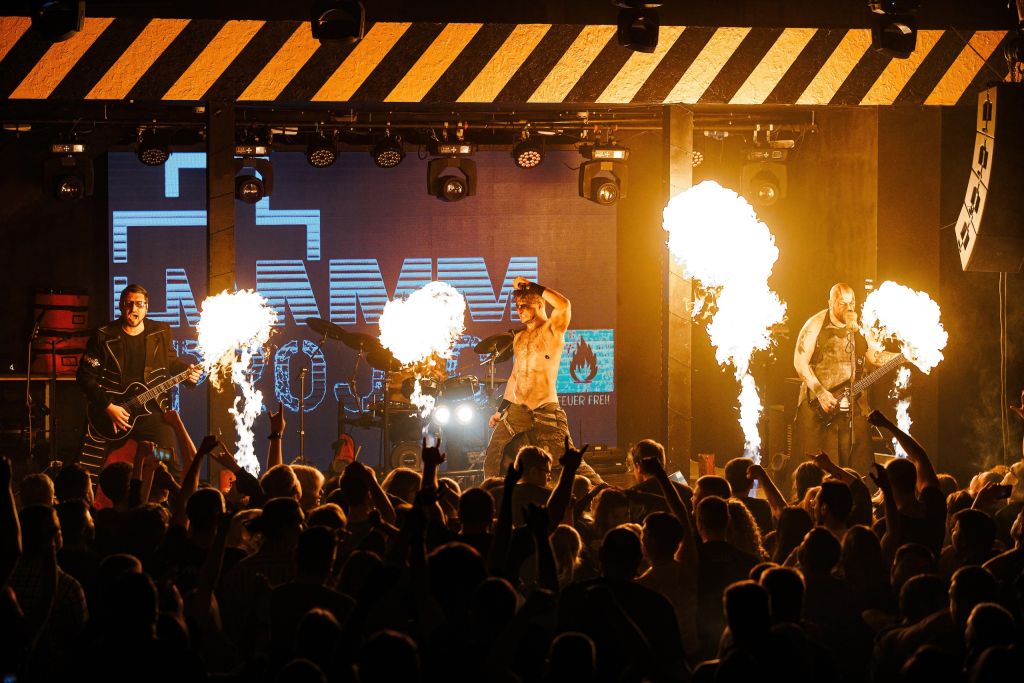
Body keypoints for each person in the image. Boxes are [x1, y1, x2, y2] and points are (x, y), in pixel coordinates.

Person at [483, 276, 598, 481]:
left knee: (570, 462)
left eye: (524, 305)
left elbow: (564, 305)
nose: (519, 310)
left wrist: (533, 286)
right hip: (517, 410)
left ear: (539, 304)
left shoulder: (552, 330)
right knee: (494, 456)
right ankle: (495, 497)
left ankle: (606, 493)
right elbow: (515, 376)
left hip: (545, 408)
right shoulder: (519, 338)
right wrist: (501, 411)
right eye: (517, 306)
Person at [77, 284, 201, 472]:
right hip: (112, 415)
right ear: (121, 306)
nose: (133, 309)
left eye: (139, 304)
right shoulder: (103, 335)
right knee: (91, 469)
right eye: (128, 304)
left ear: (146, 307)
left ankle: (168, 490)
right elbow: (85, 376)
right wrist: (108, 406)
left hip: (151, 413)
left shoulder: (160, 332)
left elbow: (171, 363)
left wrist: (187, 373)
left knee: (168, 459)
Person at [790, 282, 899, 477]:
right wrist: (821, 393)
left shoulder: (859, 328)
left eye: (852, 303)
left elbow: (875, 357)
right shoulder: (815, 324)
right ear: (830, 303)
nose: (848, 308)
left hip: (851, 404)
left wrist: (903, 357)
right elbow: (800, 362)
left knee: (860, 464)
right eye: (842, 303)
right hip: (818, 405)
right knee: (816, 469)